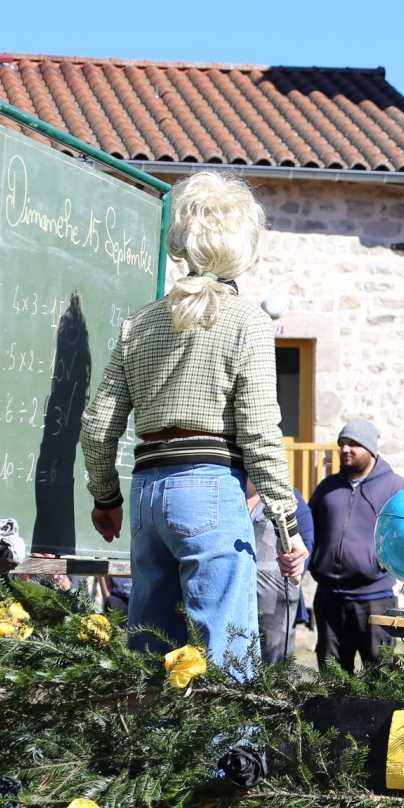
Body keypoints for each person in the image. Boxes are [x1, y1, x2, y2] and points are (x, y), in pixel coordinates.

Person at [81, 172, 306, 667]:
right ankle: (228, 725)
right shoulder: (247, 320)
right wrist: (287, 527)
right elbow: (260, 432)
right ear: (243, 245)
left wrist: (106, 498)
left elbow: (98, 427)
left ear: (182, 242)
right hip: (210, 488)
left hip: (145, 494)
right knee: (227, 654)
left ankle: (145, 720)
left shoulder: (138, 323)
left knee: (148, 651)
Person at [306, 419, 404, 674]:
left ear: (370, 449)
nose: (345, 449)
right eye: (342, 444)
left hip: (375, 599)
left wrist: (380, 563)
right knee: (332, 677)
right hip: (329, 598)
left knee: (380, 675)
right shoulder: (327, 487)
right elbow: (309, 531)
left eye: (353, 444)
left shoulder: (395, 487)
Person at [246, 478, 315, 667]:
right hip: (237, 601)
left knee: (275, 671)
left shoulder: (286, 498)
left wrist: (296, 569)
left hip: (276, 606)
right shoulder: (231, 493)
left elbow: (305, 543)